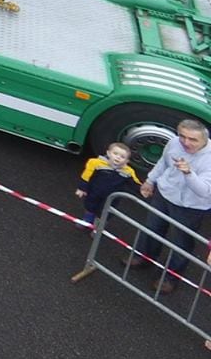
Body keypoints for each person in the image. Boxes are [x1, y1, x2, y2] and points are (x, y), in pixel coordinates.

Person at [141, 117, 211, 288]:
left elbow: (204, 191)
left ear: (205, 139)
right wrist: (150, 181)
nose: (186, 142)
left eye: (193, 139)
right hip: (164, 195)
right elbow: (163, 163)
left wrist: (189, 173)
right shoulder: (173, 143)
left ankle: (171, 276)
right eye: (182, 136)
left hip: (191, 207)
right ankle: (144, 256)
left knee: (181, 242)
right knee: (152, 228)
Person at [76, 142, 141, 225]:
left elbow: (134, 183)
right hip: (94, 192)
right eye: (115, 153)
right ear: (108, 153)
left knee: (106, 212)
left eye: (122, 157)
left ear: (127, 161)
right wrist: (82, 188)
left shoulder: (128, 172)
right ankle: (87, 220)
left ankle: (98, 228)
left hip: (111, 197)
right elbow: (86, 176)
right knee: (90, 206)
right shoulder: (96, 163)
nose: (118, 157)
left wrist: (142, 190)